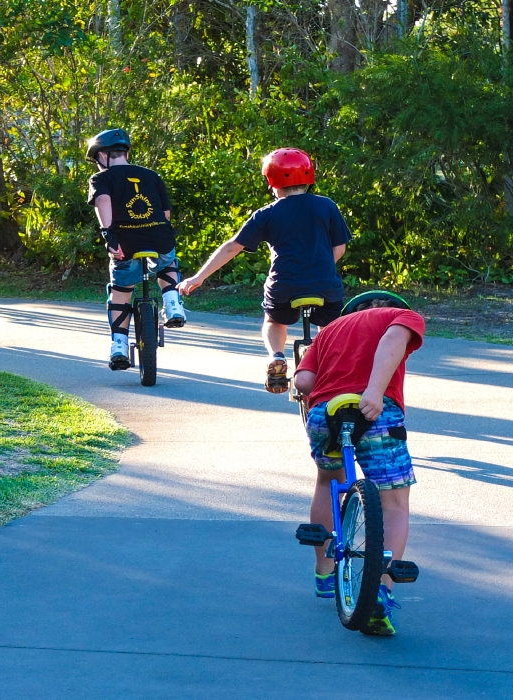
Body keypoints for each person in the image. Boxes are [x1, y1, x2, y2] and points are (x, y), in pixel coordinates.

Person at [293, 290, 425, 636]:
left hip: (326, 411)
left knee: (328, 481)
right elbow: (394, 339)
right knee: (393, 501)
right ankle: (380, 587)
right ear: (391, 306)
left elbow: (304, 381)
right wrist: (374, 390)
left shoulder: (329, 330)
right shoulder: (403, 317)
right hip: (374, 410)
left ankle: (324, 572)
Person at [178, 149, 351, 392]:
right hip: (324, 284)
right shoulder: (326, 206)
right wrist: (319, 267)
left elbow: (231, 248)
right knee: (330, 324)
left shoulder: (267, 213)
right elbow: (340, 248)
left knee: (273, 321)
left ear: (272, 181)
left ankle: (277, 357)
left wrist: (199, 277)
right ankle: (325, 359)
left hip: (283, 287)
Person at [86, 128, 186, 370]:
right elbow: (165, 213)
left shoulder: (101, 179)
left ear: (102, 156)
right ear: (125, 152)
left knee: (122, 288)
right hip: (159, 236)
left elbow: (103, 202)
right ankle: (173, 304)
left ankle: (119, 345)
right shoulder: (151, 175)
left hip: (125, 241)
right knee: (166, 262)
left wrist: (109, 235)